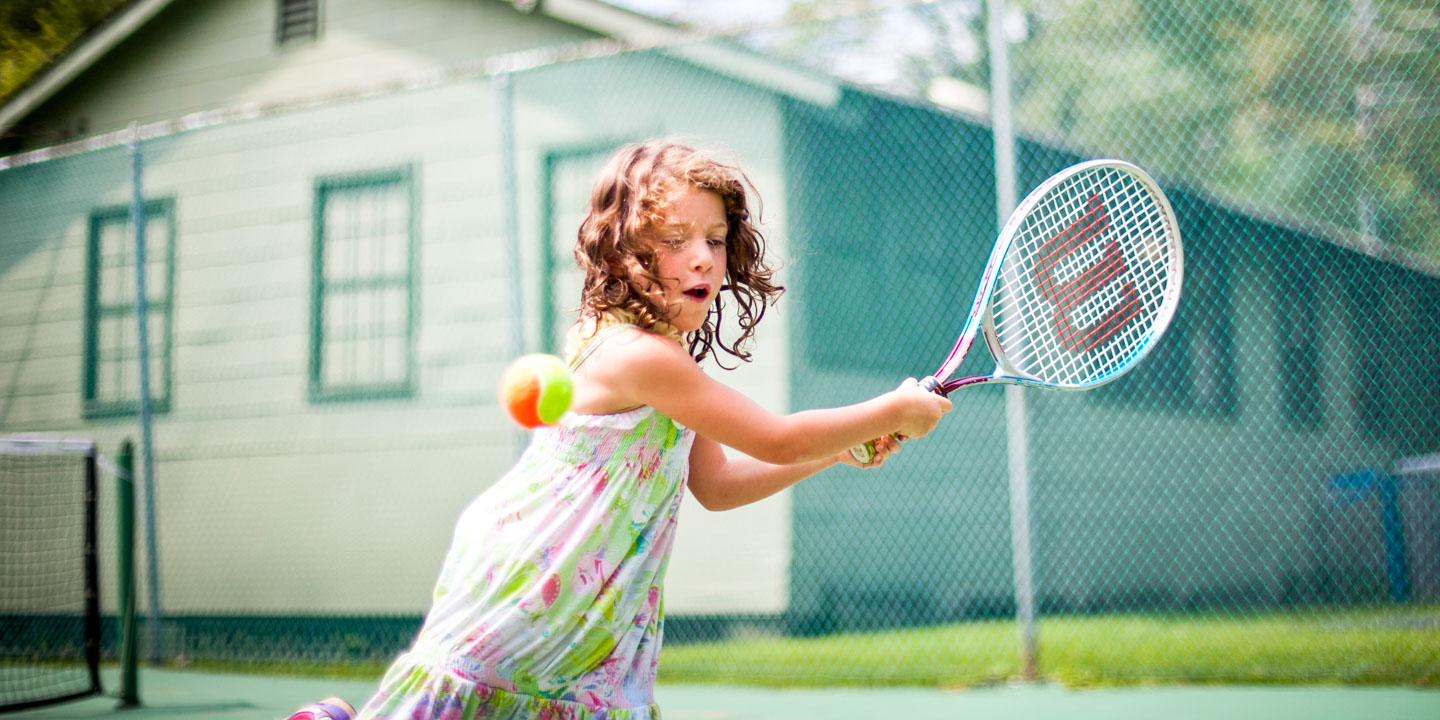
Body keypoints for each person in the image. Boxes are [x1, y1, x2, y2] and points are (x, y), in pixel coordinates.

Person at [291, 140, 951, 720]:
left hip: (593, 616)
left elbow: (717, 485)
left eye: (714, 239)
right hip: (533, 591)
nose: (702, 258)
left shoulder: (666, 357)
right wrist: (894, 409)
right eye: (674, 240)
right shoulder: (638, 356)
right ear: (625, 249)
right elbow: (776, 438)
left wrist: (835, 453)